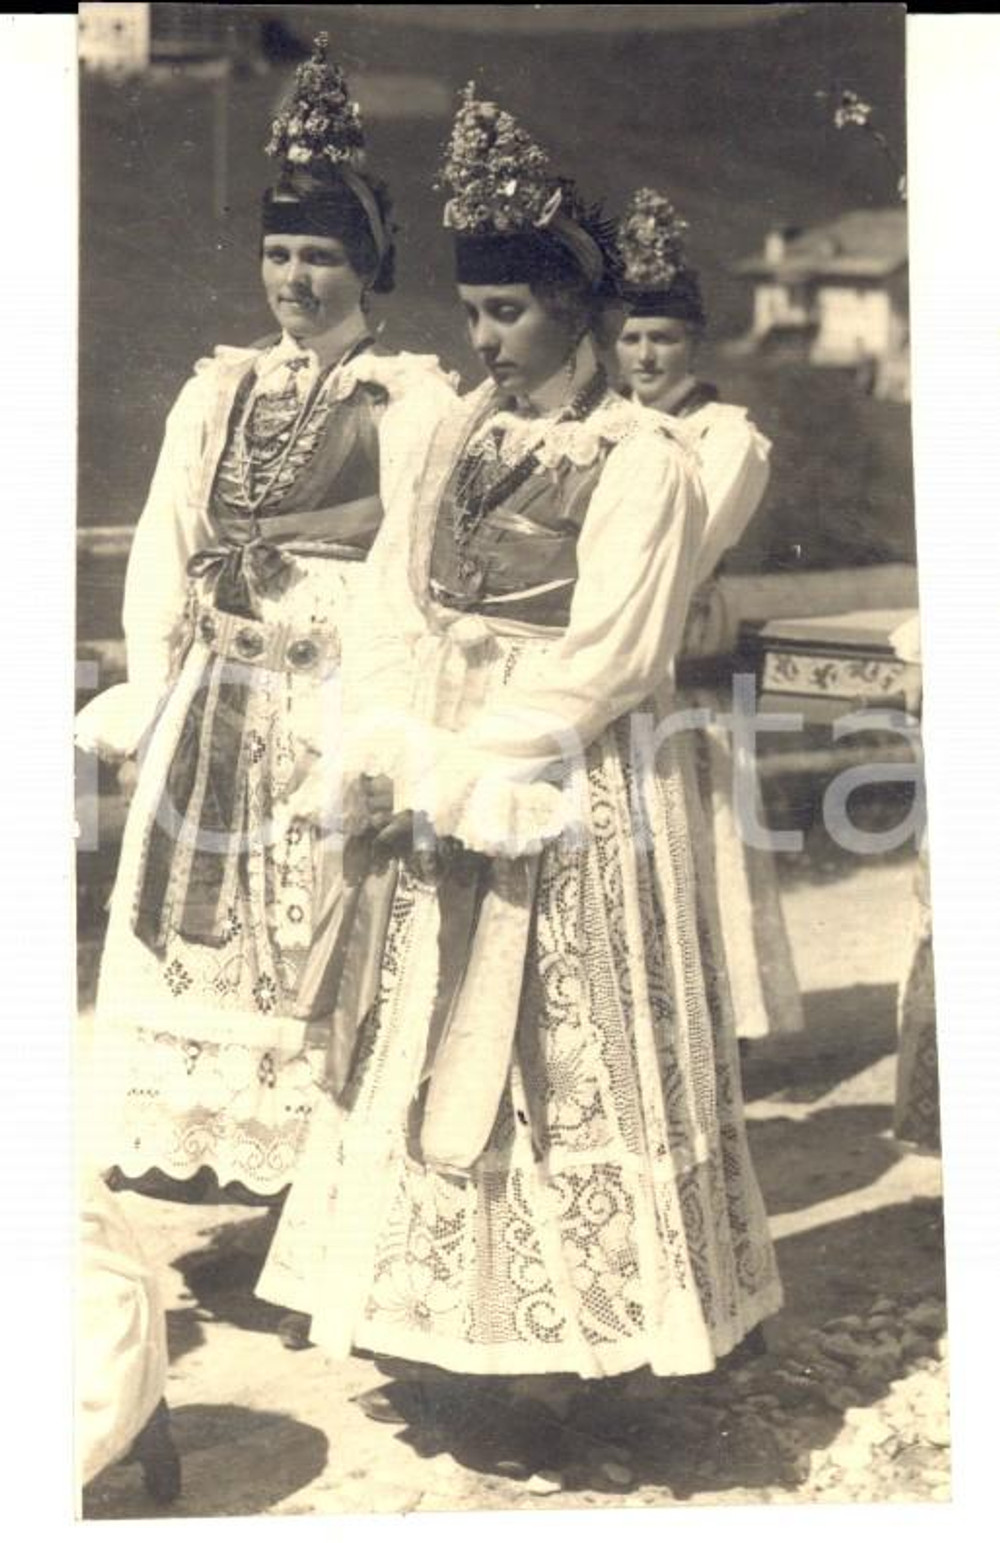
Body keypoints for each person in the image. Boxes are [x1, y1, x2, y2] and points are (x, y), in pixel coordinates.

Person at [255, 89, 781, 1413]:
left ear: (580, 313)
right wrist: (390, 734)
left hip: (566, 775)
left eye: (512, 312)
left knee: (557, 1043)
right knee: (423, 1024)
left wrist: (480, 755)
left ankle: (594, 1341)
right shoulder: (454, 432)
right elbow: (393, 595)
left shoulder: (642, 460)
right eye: (474, 311)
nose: (485, 339)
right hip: (441, 752)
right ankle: (446, 1321)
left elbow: (615, 649)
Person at [75, 36, 456, 1207]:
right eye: (279, 254)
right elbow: (164, 534)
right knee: (196, 918)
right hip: (217, 690)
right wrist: (155, 674)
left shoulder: (408, 397)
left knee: (310, 912)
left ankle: (318, 1181)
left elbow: (409, 566)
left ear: (368, 270)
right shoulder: (221, 387)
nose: (294, 280)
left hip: (325, 687)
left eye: (321, 258)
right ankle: (213, 1157)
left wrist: (375, 721)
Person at [615, 188, 804, 1046]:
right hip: (614, 639)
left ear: (691, 344)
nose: (645, 354)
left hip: (681, 640)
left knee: (695, 829)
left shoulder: (725, 436)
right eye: (631, 337)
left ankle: (711, 1024)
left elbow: (692, 545)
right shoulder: (604, 428)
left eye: (663, 339)